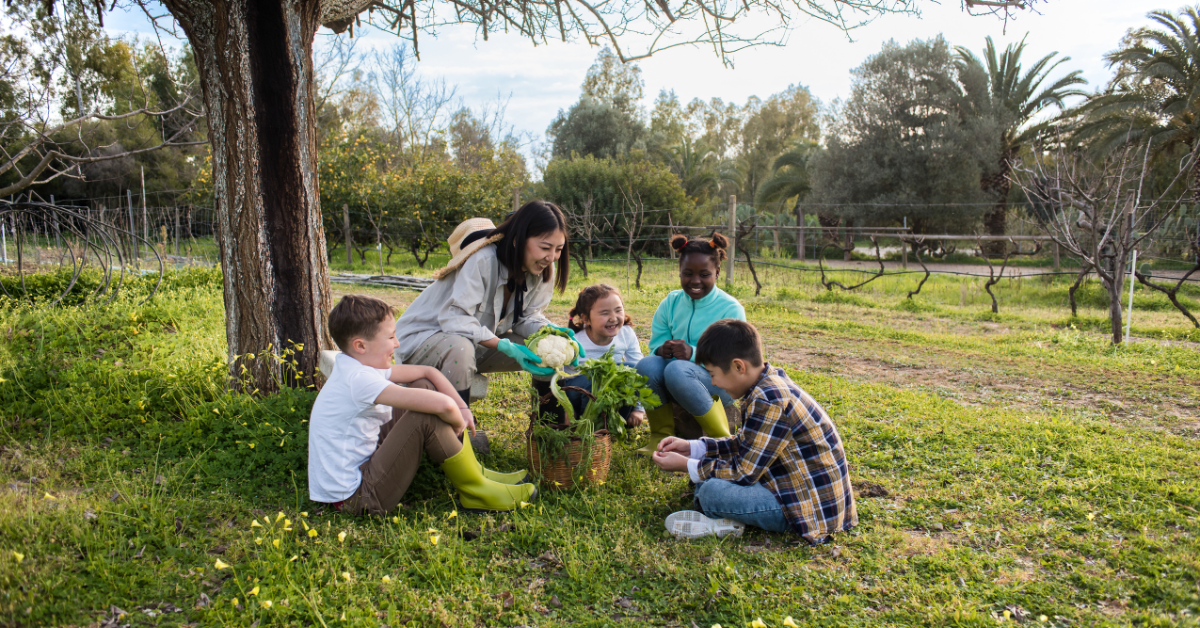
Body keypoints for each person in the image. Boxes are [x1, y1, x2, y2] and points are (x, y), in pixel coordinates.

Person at [309, 295, 536, 515]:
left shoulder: (352, 365)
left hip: (362, 472)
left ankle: (477, 473)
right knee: (425, 414)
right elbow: (443, 407)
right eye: (390, 338)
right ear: (360, 346)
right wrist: (459, 420)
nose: (396, 343)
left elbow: (428, 372)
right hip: (357, 498)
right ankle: (475, 490)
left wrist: (464, 408)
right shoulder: (359, 379)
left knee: (423, 386)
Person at [394, 202, 583, 446]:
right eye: (545, 247)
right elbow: (454, 319)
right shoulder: (483, 260)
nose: (552, 257)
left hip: (472, 341)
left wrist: (550, 333)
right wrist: (503, 345)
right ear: (518, 240)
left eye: (559, 249)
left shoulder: (543, 268)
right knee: (460, 348)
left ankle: (548, 440)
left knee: (549, 350)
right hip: (424, 342)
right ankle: (455, 445)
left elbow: (528, 317)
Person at [652, 319, 857, 542]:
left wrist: (686, 465)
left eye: (712, 374)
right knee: (707, 479)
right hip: (786, 482)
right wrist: (694, 447)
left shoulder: (769, 399)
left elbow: (744, 472)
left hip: (807, 509)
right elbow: (744, 444)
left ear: (739, 367)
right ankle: (721, 512)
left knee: (711, 492)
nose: (715, 383)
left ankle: (721, 519)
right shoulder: (766, 385)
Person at [635, 233, 745, 452]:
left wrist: (694, 353)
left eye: (704, 274)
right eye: (687, 274)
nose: (695, 281)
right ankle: (661, 436)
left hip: (720, 384)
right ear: (679, 273)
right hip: (679, 376)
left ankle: (722, 440)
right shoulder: (671, 302)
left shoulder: (730, 309)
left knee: (677, 369)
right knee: (646, 365)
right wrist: (661, 348)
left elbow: (731, 360)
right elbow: (656, 341)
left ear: (717, 272)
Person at [559, 284, 646, 426]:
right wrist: (565, 410)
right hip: (577, 394)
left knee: (635, 369)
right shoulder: (574, 341)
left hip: (608, 396)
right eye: (605, 313)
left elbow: (641, 372)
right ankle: (586, 426)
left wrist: (638, 409)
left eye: (618, 310)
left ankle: (614, 424)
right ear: (586, 319)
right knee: (594, 378)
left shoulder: (626, 333)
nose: (613, 318)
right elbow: (558, 378)